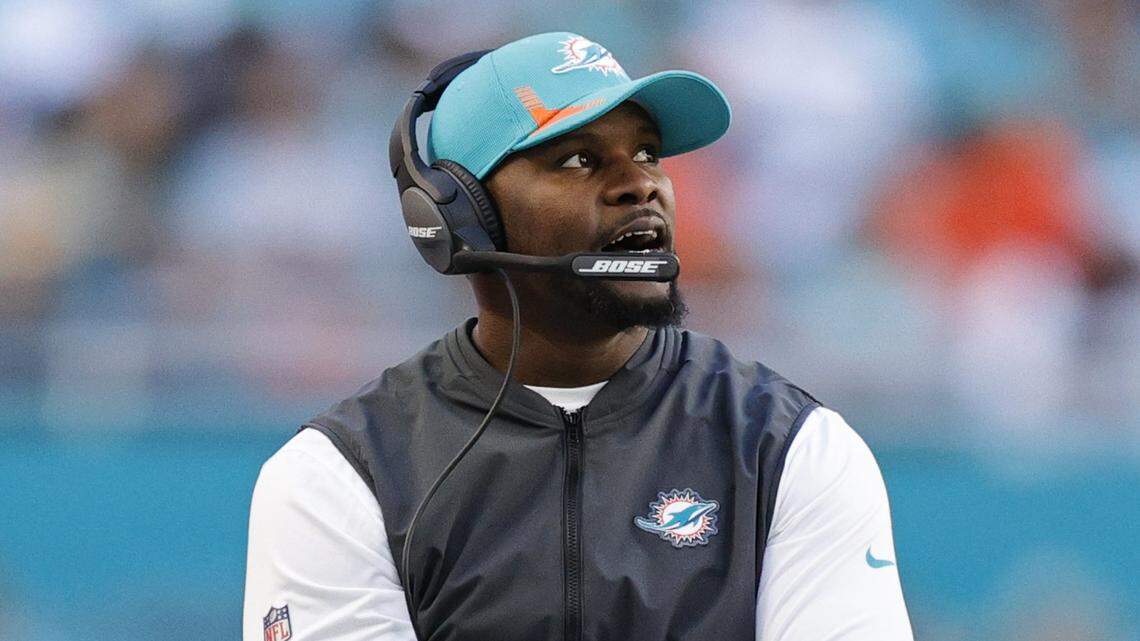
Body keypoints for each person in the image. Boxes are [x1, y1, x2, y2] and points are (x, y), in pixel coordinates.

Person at [243, 32, 913, 641]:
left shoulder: (787, 446)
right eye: (578, 159)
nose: (641, 185)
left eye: (647, 153)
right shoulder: (340, 474)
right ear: (463, 215)